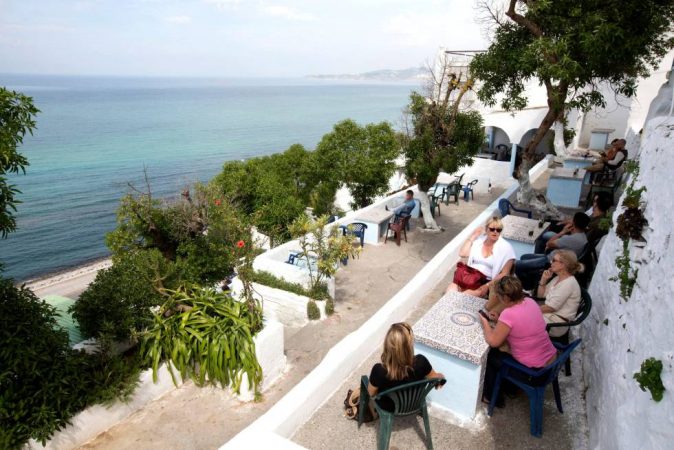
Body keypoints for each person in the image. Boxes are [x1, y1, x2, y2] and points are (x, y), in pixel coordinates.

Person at [478, 277, 557, 407]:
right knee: (502, 351)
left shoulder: (509, 313)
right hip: (551, 362)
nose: (498, 299)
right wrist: (499, 320)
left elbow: (493, 341)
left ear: (506, 298)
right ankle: (510, 389)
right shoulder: (530, 302)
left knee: (491, 355)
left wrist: (485, 322)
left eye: (499, 296)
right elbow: (522, 325)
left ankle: (492, 397)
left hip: (535, 373)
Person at [367, 322, 445, 412]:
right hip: (415, 404)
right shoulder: (421, 362)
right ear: (409, 345)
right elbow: (436, 379)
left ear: (387, 345)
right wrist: (441, 377)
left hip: (390, 407)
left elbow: (371, 393)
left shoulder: (379, 370)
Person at [515, 212, 590, 289]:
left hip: (549, 261)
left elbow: (548, 243)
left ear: (573, 223)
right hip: (556, 257)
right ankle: (531, 277)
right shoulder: (583, 237)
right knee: (524, 257)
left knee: (516, 265)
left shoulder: (570, 239)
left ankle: (528, 287)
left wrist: (562, 232)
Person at [446, 216, 516, 298]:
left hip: (485, 281)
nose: (495, 232)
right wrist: (473, 236)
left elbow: (505, 273)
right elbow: (462, 253)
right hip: (469, 276)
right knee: (451, 290)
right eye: (492, 229)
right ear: (486, 229)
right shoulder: (479, 241)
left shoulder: (506, 248)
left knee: (464, 296)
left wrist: (487, 285)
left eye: (499, 230)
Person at [535, 192, 612, 252]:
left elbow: (582, 238)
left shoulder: (596, 224)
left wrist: (564, 231)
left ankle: (543, 254)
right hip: (572, 231)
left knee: (544, 235)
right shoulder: (598, 216)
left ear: (597, 204)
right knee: (549, 223)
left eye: (595, 201)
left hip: (570, 237)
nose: (593, 203)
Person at [536, 250, 583, 337]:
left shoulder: (569, 283)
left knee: (520, 318)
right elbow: (541, 296)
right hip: (548, 316)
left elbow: (551, 308)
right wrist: (543, 280)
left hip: (555, 324)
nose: (551, 262)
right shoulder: (557, 278)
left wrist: (530, 310)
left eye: (554, 260)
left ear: (563, 264)